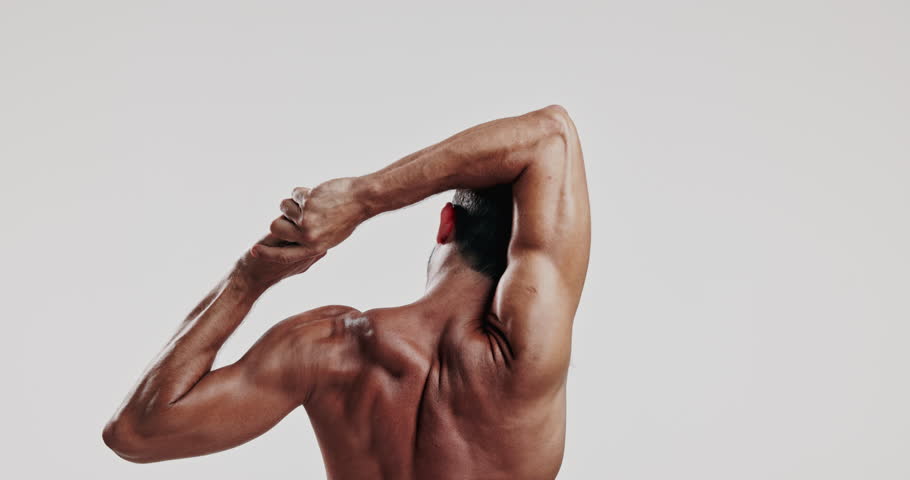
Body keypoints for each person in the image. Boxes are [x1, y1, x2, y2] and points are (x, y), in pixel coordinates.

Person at [102, 105, 591, 480]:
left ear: (445, 225)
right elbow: (549, 135)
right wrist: (363, 197)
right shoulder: (524, 356)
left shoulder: (330, 349)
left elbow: (136, 433)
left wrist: (247, 278)